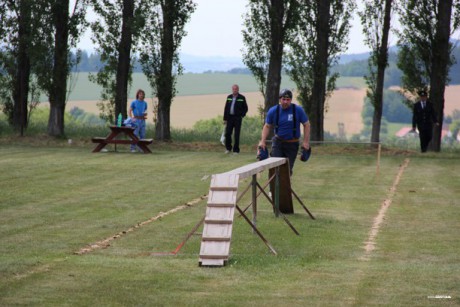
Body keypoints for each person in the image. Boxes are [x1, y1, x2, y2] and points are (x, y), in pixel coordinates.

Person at [258, 89, 310, 174]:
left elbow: (307, 125)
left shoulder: (298, 110)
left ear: (291, 100)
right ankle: (274, 187)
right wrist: (262, 141)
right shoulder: (273, 111)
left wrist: (306, 142)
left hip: (292, 144)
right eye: (283, 99)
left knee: (287, 171)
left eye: (288, 99)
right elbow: (267, 126)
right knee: (274, 168)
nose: (285, 102)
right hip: (278, 142)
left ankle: (285, 187)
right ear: (280, 99)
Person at [223, 84, 248, 154]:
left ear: (238, 89)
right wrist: (225, 119)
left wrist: (242, 115)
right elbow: (226, 108)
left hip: (237, 118)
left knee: (236, 134)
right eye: (233, 89)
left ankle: (236, 150)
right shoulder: (229, 97)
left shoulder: (242, 97)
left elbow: (245, 108)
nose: (234, 90)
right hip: (229, 118)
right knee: (227, 133)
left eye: (236, 89)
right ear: (232, 89)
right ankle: (228, 148)